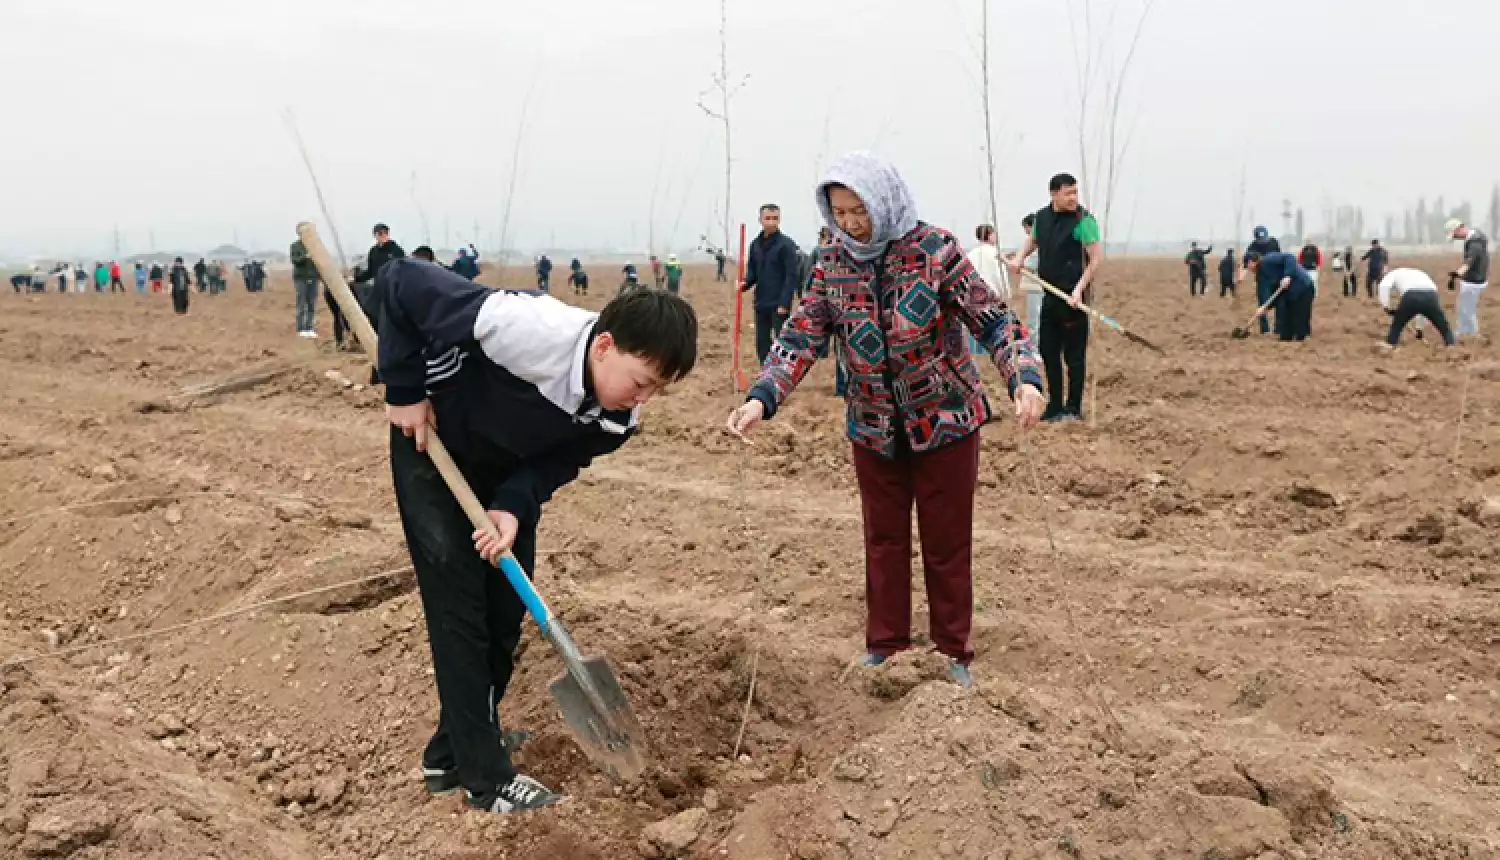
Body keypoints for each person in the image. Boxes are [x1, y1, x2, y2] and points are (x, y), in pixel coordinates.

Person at [378, 260, 698, 814]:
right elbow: (401, 282)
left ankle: (449, 754)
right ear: (603, 346)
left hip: (501, 476)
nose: (642, 398)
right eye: (641, 381)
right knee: (460, 614)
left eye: (657, 390)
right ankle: (485, 778)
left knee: (504, 613)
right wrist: (404, 387)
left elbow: (555, 464)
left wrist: (511, 508)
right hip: (435, 449)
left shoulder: (618, 421)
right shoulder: (523, 327)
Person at [725, 152, 1045, 690]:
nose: (850, 223)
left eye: (859, 210)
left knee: (946, 544)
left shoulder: (935, 251)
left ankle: (951, 651)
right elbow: (801, 337)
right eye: (839, 211)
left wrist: (1025, 377)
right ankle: (887, 644)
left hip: (945, 420)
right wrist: (761, 398)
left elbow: (994, 321)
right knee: (884, 540)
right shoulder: (832, 263)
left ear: (884, 200)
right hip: (873, 427)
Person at [1010, 173, 1103, 423]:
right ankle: (1055, 405)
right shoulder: (1042, 217)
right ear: (1053, 194)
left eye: (1075, 192)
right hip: (1050, 296)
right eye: (1068, 193)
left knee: (1074, 356)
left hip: (1074, 299)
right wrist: (1019, 258)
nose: (1073, 198)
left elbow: (1095, 258)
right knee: (1048, 352)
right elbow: (1033, 240)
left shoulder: (1083, 220)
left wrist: (1079, 288)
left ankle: (1073, 408)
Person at [741, 204, 801, 364]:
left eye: (775, 218)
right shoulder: (755, 245)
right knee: (761, 341)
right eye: (768, 218)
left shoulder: (786, 245)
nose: (772, 222)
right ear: (760, 220)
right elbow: (752, 272)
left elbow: (791, 276)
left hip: (778, 303)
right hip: (761, 301)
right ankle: (765, 369)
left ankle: (781, 371)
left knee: (781, 341)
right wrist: (744, 284)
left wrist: (784, 303)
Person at [1244, 251, 1314, 341]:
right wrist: (1265, 307)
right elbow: (1272, 293)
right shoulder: (1261, 276)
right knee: (1285, 331)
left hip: (1303, 287)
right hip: (1287, 293)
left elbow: (1289, 257)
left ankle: (1301, 340)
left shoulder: (1269, 259)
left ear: (1251, 262)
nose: (1248, 270)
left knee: (1299, 325)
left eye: (1247, 266)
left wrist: (1287, 275)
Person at [354, 223, 407, 336]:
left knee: (390, 316)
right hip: (377, 288)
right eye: (378, 234)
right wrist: (357, 278)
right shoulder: (374, 251)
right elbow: (370, 271)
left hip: (391, 288)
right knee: (373, 313)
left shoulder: (396, 251)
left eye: (383, 233)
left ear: (387, 234)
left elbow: (402, 270)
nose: (381, 236)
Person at [1378, 268, 1454, 347]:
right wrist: (1419, 329)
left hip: (1411, 295)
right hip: (1431, 295)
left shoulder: (1391, 274)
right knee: (1443, 326)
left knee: (1398, 323)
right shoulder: (1418, 273)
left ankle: (1391, 343)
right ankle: (1451, 344)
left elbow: (1383, 286)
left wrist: (1386, 307)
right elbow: (1421, 310)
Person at [1445, 218, 1489, 340]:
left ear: (1459, 229)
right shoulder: (1475, 237)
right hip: (1474, 279)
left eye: (1455, 235)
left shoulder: (1475, 242)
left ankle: (1473, 334)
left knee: (1466, 309)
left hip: (1474, 281)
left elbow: (1470, 261)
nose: (1456, 239)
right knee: (1463, 308)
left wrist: (1457, 274)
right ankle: (1464, 332)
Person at [1240, 227, 1283, 334]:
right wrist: (1242, 276)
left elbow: (1280, 257)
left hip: (1277, 277)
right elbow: (1246, 264)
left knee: (1280, 302)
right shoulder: (1252, 248)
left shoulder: (1274, 242)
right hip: (1262, 279)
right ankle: (1264, 330)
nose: (1263, 242)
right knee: (1262, 303)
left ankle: (1278, 328)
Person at [290, 237, 321, 338]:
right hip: (301, 278)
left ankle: (309, 327)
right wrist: (305, 256)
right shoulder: (295, 246)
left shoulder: (315, 245)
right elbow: (294, 260)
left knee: (312, 304)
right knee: (301, 303)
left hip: (313, 277)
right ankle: (300, 328)